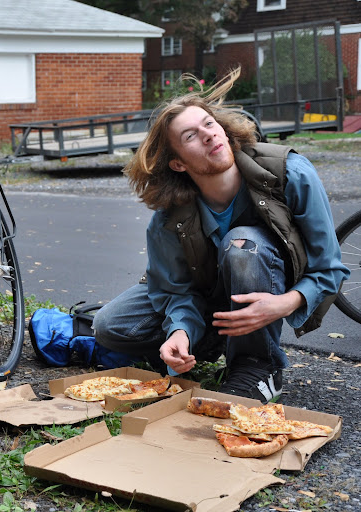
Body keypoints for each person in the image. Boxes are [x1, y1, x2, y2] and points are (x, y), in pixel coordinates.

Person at [92, 67, 349, 403]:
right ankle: (203, 345)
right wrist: (180, 331)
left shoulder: (290, 173)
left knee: (241, 243)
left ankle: (257, 365)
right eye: (190, 136)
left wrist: (283, 304)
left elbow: (329, 269)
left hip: (271, 287)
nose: (208, 135)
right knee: (109, 325)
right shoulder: (168, 218)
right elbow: (174, 290)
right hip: (209, 297)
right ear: (178, 164)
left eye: (209, 124)